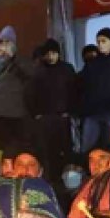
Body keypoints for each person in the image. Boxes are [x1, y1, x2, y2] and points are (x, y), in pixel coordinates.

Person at [29, 39, 76, 179]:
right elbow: (31, 93)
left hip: (63, 116)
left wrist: (71, 111)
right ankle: (51, 178)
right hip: (45, 117)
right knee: (48, 150)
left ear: (58, 53)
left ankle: (68, 178)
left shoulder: (67, 69)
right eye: (48, 54)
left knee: (66, 148)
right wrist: (36, 113)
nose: (50, 57)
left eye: (53, 53)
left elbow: (74, 90)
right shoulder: (39, 72)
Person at [79, 28, 110, 155]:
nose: (101, 44)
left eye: (104, 41)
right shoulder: (92, 64)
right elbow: (82, 86)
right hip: (93, 111)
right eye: (98, 42)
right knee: (89, 148)